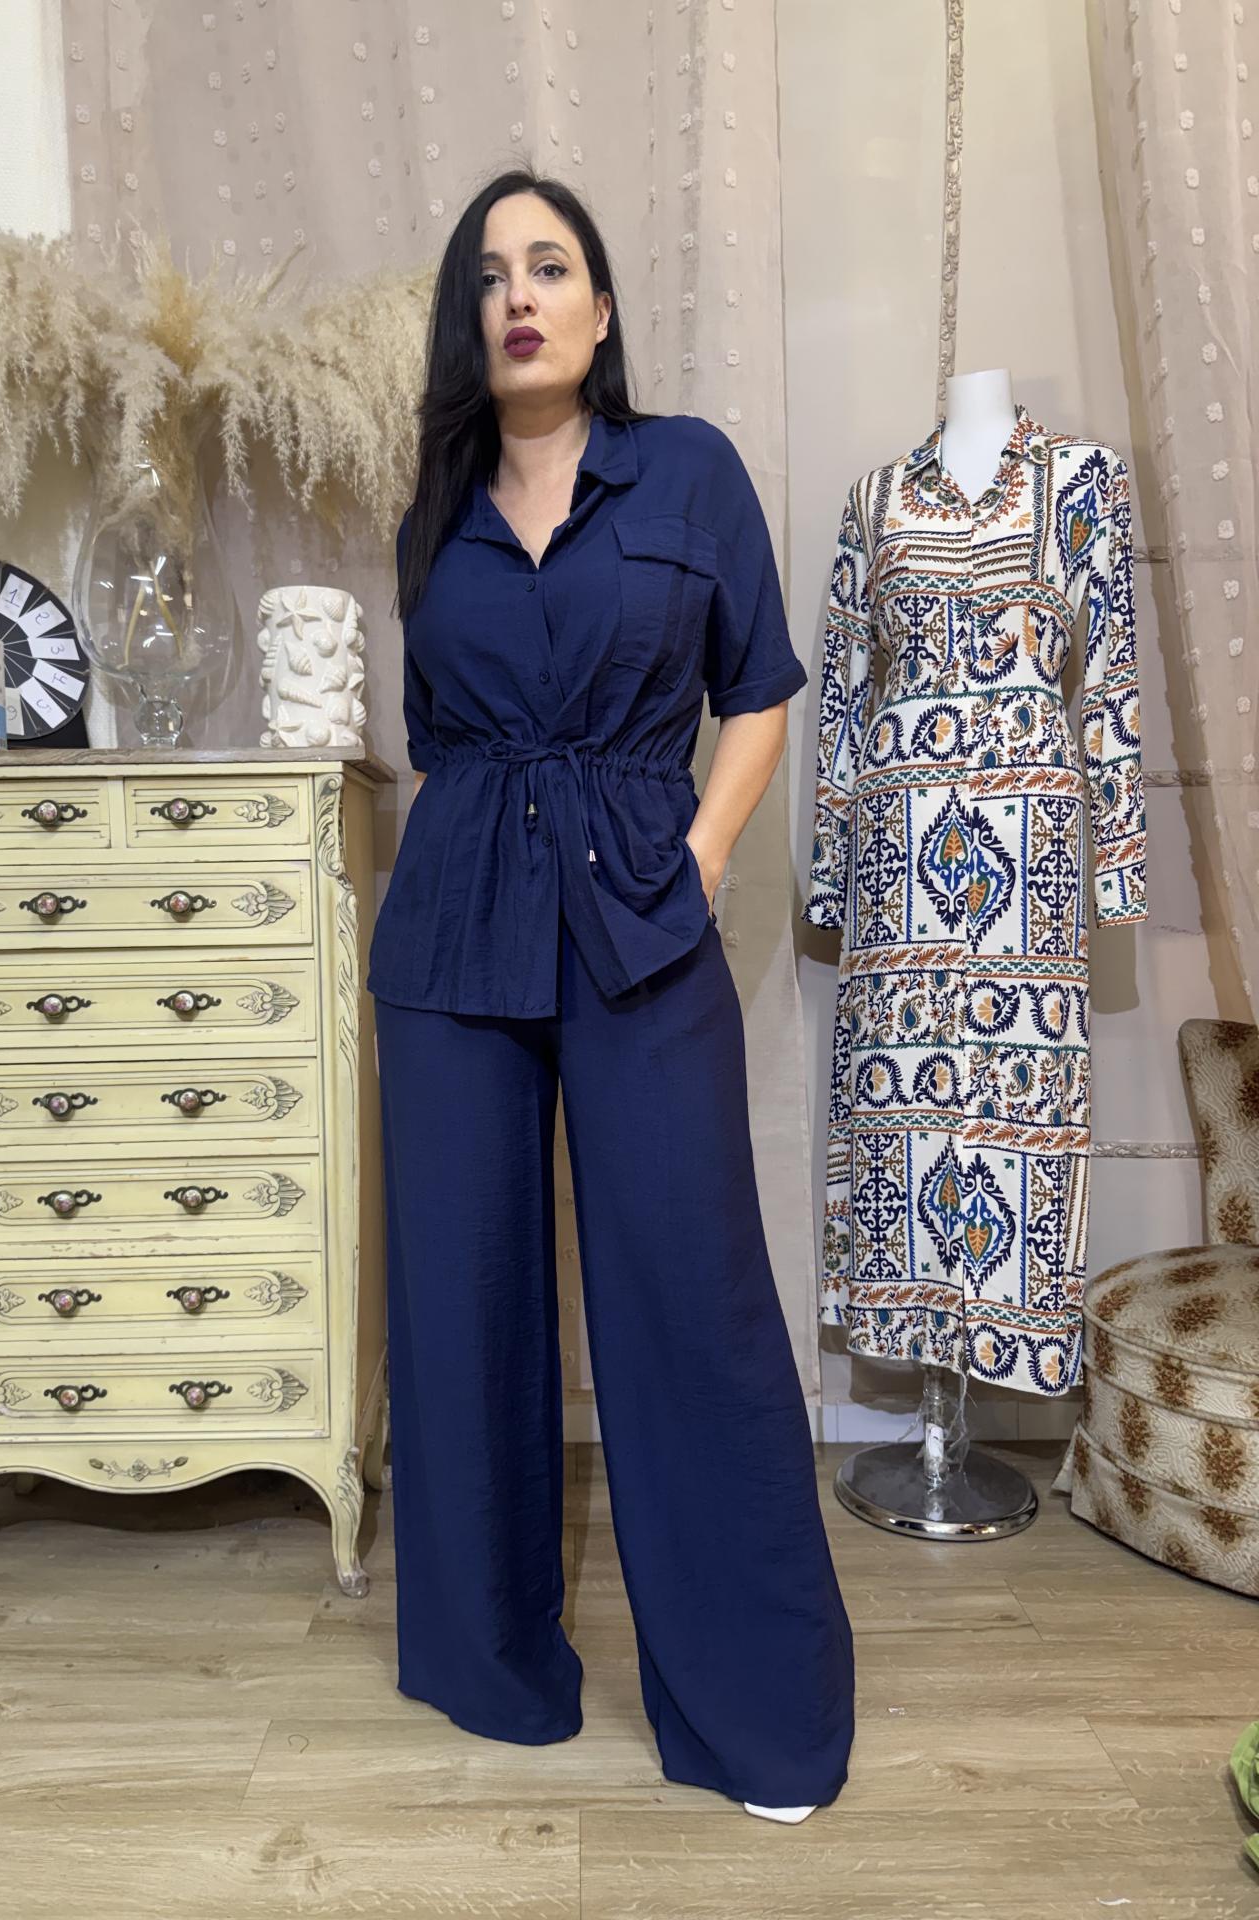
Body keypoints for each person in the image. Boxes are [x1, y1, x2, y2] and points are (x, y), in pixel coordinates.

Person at [364, 165, 855, 1820]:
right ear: (471, 320)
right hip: (454, 930)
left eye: (549, 264)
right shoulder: (431, 512)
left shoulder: (687, 470)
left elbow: (760, 689)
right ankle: (492, 1666)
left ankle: (757, 1717)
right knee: (462, 1299)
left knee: (687, 1298)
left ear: (600, 305)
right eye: (489, 273)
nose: (519, 294)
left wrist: (701, 856)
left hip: (638, 917)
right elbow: (436, 743)